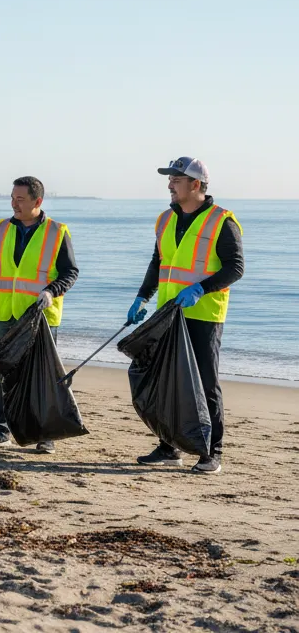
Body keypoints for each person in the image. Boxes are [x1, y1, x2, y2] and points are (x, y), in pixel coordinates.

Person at [128, 157, 243, 475]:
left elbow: (235, 268)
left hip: (204, 314)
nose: (169, 185)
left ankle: (212, 452)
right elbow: (158, 263)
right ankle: (170, 446)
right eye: (169, 180)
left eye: (176, 180)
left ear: (196, 185)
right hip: (168, 313)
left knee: (205, 384)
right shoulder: (165, 219)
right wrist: (142, 297)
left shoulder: (222, 221)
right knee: (168, 382)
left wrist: (200, 290)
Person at [0, 176, 78, 453]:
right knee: (2, 374)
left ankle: (45, 433)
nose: (14, 204)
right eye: (12, 197)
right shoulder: (2, 229)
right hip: (6, 314)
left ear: (37, 202)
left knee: (42, 376)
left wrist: (51, 292)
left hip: (40, 317)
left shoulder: (57, 231)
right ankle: (1, 429)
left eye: (20, 199)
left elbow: (70, 273)